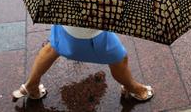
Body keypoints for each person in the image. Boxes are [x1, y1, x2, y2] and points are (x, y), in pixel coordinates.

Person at [12, 25, 154, 103]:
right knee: (119, 59)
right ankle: (132, 87)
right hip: (89, 33)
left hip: (65, 22)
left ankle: (31, 85)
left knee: (52, 47)